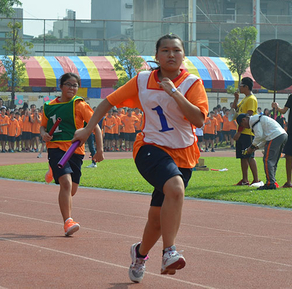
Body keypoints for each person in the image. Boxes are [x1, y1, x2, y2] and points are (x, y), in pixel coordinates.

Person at [71, 34, 208, 283]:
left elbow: (198, 120)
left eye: (176, 50)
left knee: (156, 220)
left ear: (183, 56)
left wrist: (175, 93)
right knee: (175, 189)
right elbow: (106, 103)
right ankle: (169, 252)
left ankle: (140, 253)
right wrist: (88, 129)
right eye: (165, 50)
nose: (170, 55)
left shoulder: (192, 83)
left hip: (184, 153)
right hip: (149, 147)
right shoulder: (143, 80)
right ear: (156, 56)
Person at [40, 72, 104, 237]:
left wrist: (99, 150)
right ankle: (68, 221)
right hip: (56, 149)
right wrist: (44, 134)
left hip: (76, 151)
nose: (72, 88)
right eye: (68, 84)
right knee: (66, 184)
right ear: (60, 86)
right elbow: (43, 127)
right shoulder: (49, 106)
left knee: (72, 189)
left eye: (75, 85)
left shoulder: (80, 105)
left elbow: (95, 127)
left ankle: (52, 170)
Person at [236, 113, 287, 190]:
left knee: (267, 160)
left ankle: (270, 183)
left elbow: (259, 136)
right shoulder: (258, 119)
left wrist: (252, 147)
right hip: (282, 135)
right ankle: (272, 181)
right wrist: (256, 147)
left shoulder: (253, 121)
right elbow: (264, 138)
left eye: (242, 125)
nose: (244, 127)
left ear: (244, 120)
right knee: (273, 161)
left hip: (275, 136)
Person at [230, 76, 260, 186]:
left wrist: (239, 131)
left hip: (248, 133)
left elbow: (248, 117)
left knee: (249, 156)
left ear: (246, 87)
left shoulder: (251, 99)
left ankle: (256, 179)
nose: (239, 88)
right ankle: (244, 179)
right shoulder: (244, 99)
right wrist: (236, 98)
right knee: (242, 156)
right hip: (242, 133)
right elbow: (234, 111)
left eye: (241, 86)